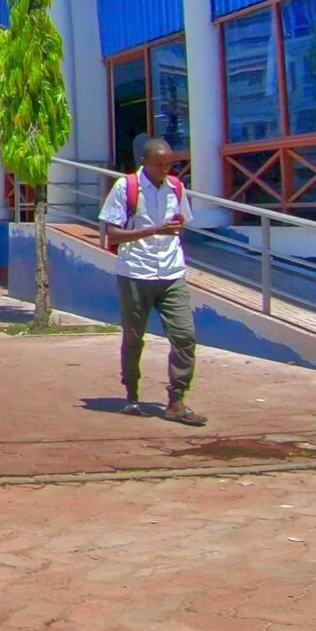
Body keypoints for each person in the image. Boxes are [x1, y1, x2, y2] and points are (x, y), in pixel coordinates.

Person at [97, 138, 205, 427]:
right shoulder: (126, 187)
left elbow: (181, 223)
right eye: (160, 164)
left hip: (171, 273)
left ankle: (177, 399)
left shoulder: (176, 188)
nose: (165, 169)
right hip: (136, 272)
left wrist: (175, 226)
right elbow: (113, 235)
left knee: (184, 336)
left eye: (169, 164)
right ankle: (132, 394)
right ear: (144, 162)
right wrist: (155, 230)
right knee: (134, 337)